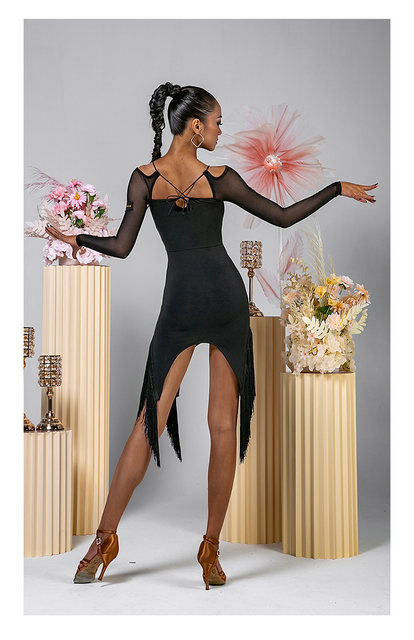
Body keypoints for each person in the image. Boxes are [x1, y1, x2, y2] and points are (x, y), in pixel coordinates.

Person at [45, 82, 377, 590]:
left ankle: (112, 542)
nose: (222, 130)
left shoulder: (144, 179)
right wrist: (335, 189)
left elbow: (122, 246)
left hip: (194, 303)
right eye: (217, 121)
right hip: (217, 300)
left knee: (157, 424)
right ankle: (205, 547)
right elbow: (283, 216)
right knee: (214, 427)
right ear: (195, 126)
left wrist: (79, 239)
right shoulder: (218, 178)